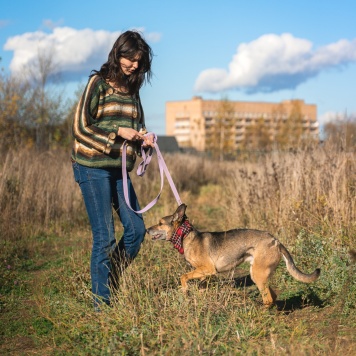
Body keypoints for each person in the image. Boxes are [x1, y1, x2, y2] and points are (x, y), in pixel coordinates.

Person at [71, 30, 154, 310]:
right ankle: (101, 305)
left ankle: (108, 279)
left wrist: (146, 138)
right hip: (91, 166)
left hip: (119, 170)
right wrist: (117, 131)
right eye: (130, 58)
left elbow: (137, 127)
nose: (133, 64)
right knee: (105, 237)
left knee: (136, 230)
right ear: (117, 53)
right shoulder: (98, 83)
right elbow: (80, 127)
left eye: (138, 61)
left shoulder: (132, 91)